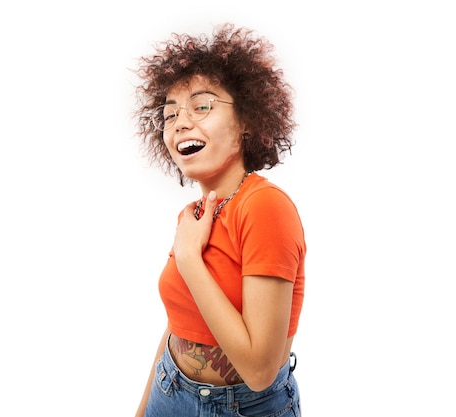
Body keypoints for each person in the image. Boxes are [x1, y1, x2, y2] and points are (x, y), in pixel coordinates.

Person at [132, 23, 306, 417]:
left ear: (247, 119)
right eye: (170, 112)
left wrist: (190, 260)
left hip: (243, 408)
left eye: (202, 106)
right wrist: (142, 410)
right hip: (169, 388)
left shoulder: (264, 207)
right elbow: (179, 324)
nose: (180, 121)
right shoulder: (192, 217)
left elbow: (260, 371)